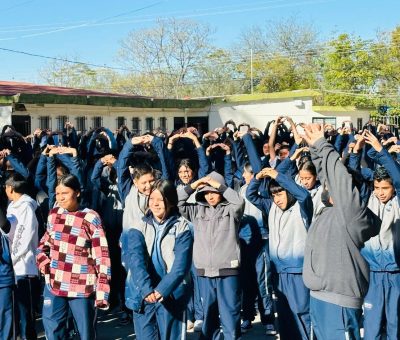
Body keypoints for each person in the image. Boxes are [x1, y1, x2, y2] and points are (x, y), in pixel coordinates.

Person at [301, 124, 380, 340]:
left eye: (331, 186)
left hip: (339, 302)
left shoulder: (350, 213)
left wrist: (322, 144)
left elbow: (338, 177)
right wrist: (315, 151)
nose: (325, 186)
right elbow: (327, 174)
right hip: (319, 297)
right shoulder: (330, 210)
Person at [36, 174, 111, 340]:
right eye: (57, 194)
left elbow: (102, 256)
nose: (60, 198)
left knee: (86, 334)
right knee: (53, 329)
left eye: (65, 193)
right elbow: (43, 244)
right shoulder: (53, 214)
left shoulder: (90, 217)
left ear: (77, 192)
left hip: (82, 286)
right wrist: (43, 262)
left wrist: (102, 290)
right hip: (55, 282)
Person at [247, 167, 313, 340]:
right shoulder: (270, 207)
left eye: (281, 194)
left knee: (302, 313)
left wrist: (277, 175)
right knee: (284, 316)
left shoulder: (302, 206)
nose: (277, 199)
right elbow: (250, 195)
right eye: (274, 195)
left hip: (298, 272)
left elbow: (304, 195)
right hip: (278, 272)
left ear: (289, 191)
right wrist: (257, 177)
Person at [178, 171, 245, 339]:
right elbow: (177, 201)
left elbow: (239, 200)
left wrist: (219, 186)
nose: (210, 196)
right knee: (209, 314)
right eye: (206, 193)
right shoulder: (197, 211)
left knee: (230, 312)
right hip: (204, 271)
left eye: (213, 192)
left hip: (228, 270)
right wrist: (194, 185)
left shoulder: (231, 210)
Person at [124, 179, 193, 339]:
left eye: (160, 199)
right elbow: (136, 261)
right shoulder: (138, 225)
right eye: (152, 199)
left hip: (171, 293)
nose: (155, 204)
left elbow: (181, 265)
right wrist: (147, 289)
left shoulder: (182, 226)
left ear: (170, 201)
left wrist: (162, 289)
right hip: (142, 294)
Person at [360, 130, 400, 339]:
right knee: (372, 324)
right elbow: (354, 172)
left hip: (396, 274)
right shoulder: (368, 198)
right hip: (373, 273)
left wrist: (380, 150)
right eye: (377, 187)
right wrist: (358, 149)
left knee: (395, 324)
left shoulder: (398, 202)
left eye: (385, 187)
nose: (380, 192)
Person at [5, 173, 40, 340]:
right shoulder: (12, 206)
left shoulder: (26, 206)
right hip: (13, 267)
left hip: (25, 266)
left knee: (26, 314)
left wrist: (12, 256)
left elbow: (24, 235)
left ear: (11, 188)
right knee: (16, 313)